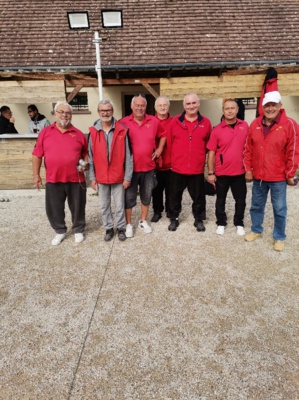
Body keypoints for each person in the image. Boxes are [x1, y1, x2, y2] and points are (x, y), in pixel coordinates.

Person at [243, 91, 299, 252]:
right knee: (256, 205)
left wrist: (290, 173)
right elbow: (248, 149)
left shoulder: (290, 125)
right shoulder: (255, 124)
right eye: (267, 105)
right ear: (262, 107)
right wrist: (248, 169)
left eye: (273, 105)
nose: (270, 108)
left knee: (280, 208)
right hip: (259, 176)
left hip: (278, 177)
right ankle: (256, 229)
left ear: (280, 106)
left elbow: (294, 151)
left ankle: (279, 236)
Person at [32, 101, 88, 246]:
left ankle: (78, 229)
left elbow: (85, 154)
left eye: (68, 112)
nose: (65, 115)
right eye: (61, 112)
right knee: (54, 206)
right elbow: (37, 154)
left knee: (78, 206)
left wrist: (85, 164)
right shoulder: (45, 132)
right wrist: (36, 175)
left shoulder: (79, 134)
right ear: (55, 114)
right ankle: (60, 230)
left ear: (71, 115)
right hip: (53, 177)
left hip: (76, 178)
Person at [120, 95, 166, 237]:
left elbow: (163, 136)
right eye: (137, 105)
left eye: (142, 105)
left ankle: (143, 221)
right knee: (129, 198)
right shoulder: (123, 122)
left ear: (146, 107)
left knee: (146, 196)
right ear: (132, 107)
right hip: (130, 170)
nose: (140, 108)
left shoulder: (153, 121)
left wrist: (159, 150)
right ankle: (128, 224)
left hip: (149, 167)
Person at [88, 99, 133, 242]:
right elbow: (90, 156)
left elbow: (128, 156)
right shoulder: (93, 131)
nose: (105, 113)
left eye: (108, 110)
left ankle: (121, 228)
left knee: (120, 206)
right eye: (102, 110)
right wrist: (92, 177)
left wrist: (127, 177)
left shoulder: (122, 129)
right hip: (101, 177)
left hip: (118, 176)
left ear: (112, 111)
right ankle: (108, 228)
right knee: (104, 206)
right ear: (98, 112)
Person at [168, 93, 212, 232]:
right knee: (175, 195)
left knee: (199, 197)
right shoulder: (175, 121)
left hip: (196, 168)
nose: (191, 106)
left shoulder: (206, 122)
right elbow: (170, 143)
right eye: (188, 103)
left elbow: (208, 144)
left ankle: (198, 219)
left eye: (194, 103)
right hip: (178, 168)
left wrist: (198, 158)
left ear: (198, 104)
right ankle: (174, 218)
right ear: (184, 105)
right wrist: (175, 159)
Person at [207, 98, 249, 236]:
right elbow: (211, 152)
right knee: (220, 200)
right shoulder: (217, 130)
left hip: (239, 172)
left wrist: (250, 169)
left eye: (232, 108)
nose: (230, 111)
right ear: (223, 111)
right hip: (222, 172)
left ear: (237, 110)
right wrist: (211, 172)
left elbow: (250, 149)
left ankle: (239, 223)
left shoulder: (245, 127)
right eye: (227, 108)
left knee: (241, 200)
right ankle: (221, 222)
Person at [151, 95, 172, 222]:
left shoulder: (175, 122)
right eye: (160, 105)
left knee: (171, 190)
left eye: (165, 105)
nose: (162, 107)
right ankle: (157, 211)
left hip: (170, 162)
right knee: (156, 190)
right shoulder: (150, 121)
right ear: (155, 107)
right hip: (155, 163)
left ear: (168, 107)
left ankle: (170, 210)